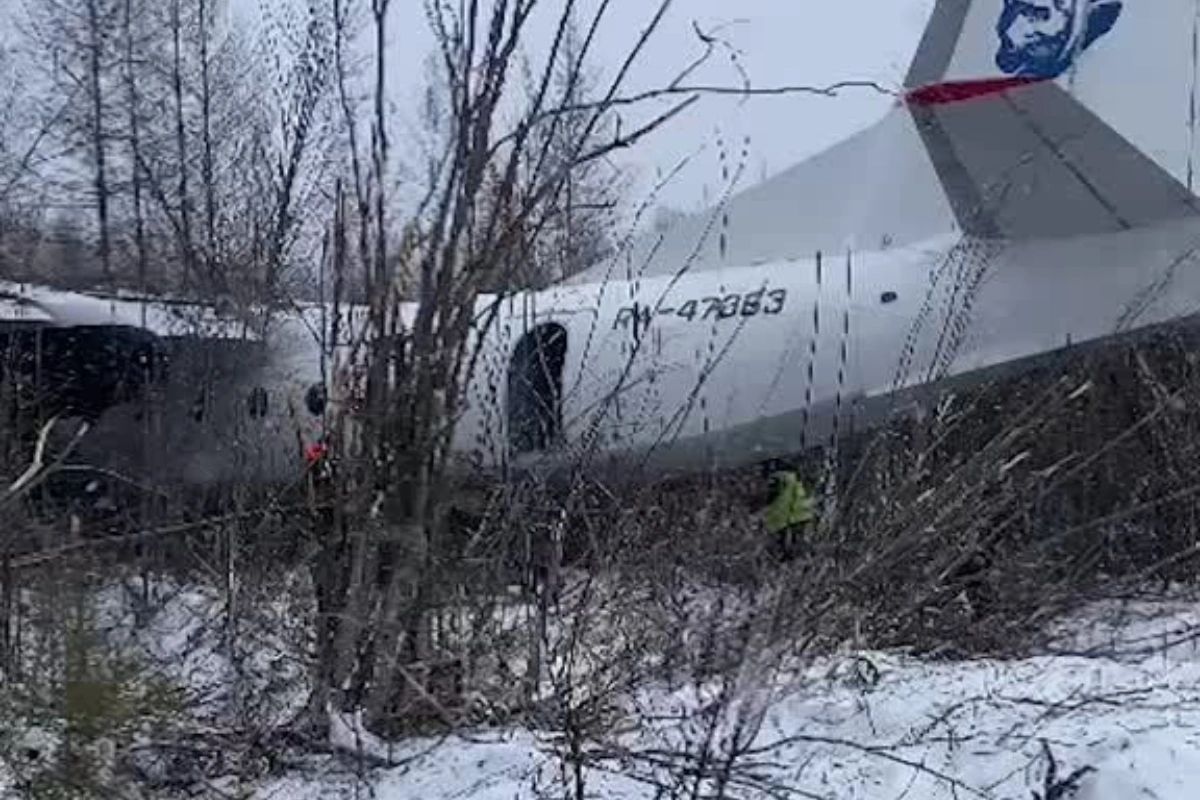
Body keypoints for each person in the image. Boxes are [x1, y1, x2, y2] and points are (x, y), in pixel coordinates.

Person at [763, 466, 818, 563]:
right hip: (794, 517)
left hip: (785, 518)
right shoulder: (793, 481)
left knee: (783, 541)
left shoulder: (786, 480)